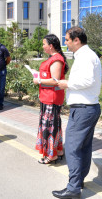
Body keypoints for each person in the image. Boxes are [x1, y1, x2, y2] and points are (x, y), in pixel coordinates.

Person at [52, 27, 102, 199]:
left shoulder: (86, 57)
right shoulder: (87, 55)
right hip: (88, 108)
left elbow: (88, 80)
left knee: (72, 148)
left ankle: (73, 188)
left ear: (76, 40)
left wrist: (67, 84)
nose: (65, 43)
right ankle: (78, 181)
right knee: (83, 147)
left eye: (67, 40)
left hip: (83, 109)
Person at [32, 34, 68, 164]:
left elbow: (55, 80)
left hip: (51, 98)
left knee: (50, 126)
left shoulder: (56, 59)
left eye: (44, 44)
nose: (43, 46)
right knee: (54, 125)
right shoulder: (54, 58)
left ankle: (52, 155)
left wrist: (39, 80)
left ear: (51, 46)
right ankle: (58, 151)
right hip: (48, 97)